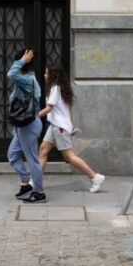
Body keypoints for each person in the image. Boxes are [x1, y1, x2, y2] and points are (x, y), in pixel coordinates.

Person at [38, 65, 105, 193]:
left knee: (69, 156)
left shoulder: (55, 89)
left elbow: (49, 108)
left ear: (52, 75)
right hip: (55, 125)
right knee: (42, 151)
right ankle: (36, 180)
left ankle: (95, 177)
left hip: (59, 127)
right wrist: (71, 124)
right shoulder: (60, 89)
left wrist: (35, 116)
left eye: (46, 73)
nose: (44, 75)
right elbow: (67, 109)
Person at [7, 48, 46, 203]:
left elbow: (11, 74)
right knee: (12, 155)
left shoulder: (26, 80)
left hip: (28, 125)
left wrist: (22, 60)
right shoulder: (26, 78)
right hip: (22, 125)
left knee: (32, 160)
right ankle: (26, 183)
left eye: (16, 62)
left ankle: (39, 192)